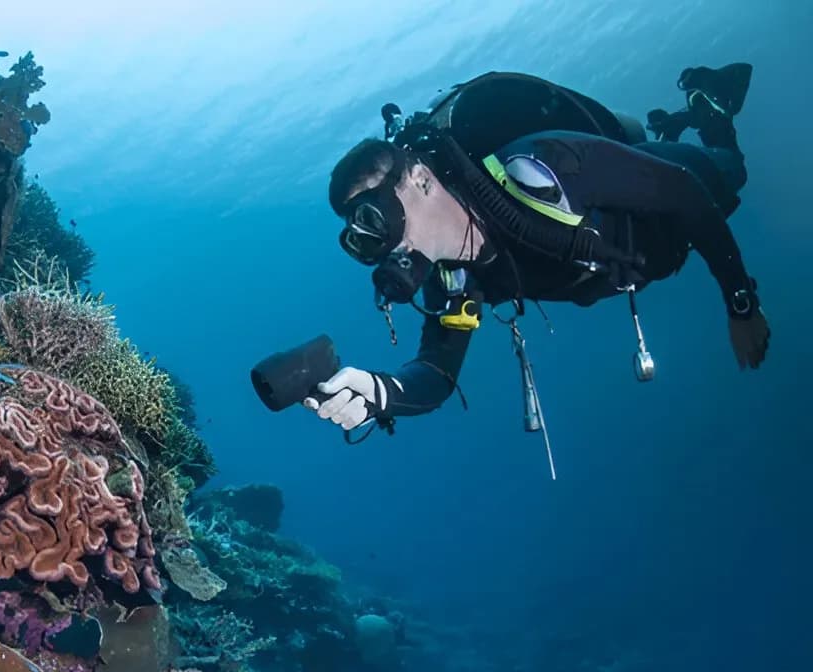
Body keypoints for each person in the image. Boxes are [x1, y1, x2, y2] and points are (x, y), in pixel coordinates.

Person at [305, 64, 770, 433]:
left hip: (672, 195)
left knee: (733, 173)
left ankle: (708, 106)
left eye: (374, 219)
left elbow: (683, 193)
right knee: (658, 177)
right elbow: (436, 372)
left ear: (421, 180)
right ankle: (670, 126)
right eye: (360, 240)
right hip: (645, 249)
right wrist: (378, 392)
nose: (381, 247)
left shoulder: (539, 169)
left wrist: (740, 303)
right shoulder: (453, 279)